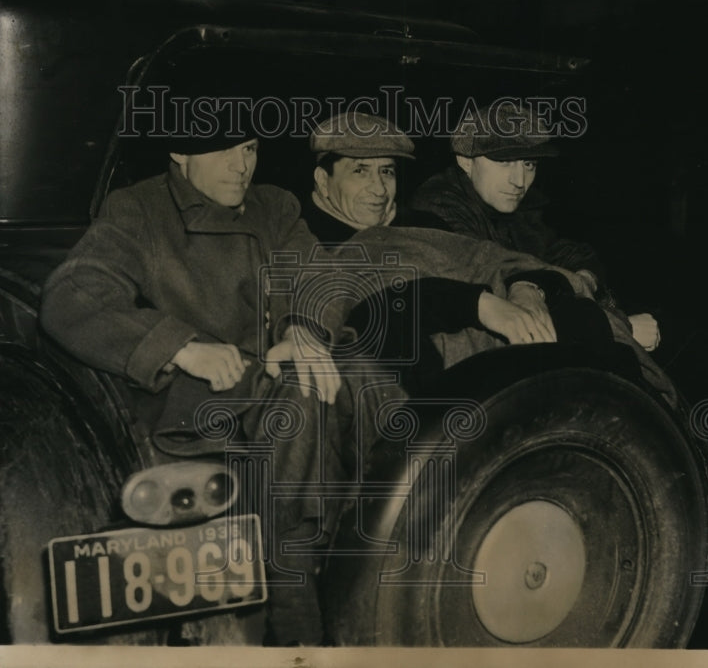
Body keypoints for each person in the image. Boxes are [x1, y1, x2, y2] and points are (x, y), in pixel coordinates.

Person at [39, 111, 400, 646]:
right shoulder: (139, 210)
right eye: (224, 150)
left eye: (250, 148)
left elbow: (318, 274)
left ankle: (401, 546)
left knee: (365, 375)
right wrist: (180, 346)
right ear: (180, 154)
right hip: (200, 402)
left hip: (273, 380)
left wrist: (302, 328)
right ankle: (295, 618)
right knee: (297, 401)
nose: (241, 166)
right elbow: (73, 293)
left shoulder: (274, 207)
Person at [302, 112, 615, 382]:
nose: (379, 188)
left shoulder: (422, 223)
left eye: (387, 171)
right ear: (323, 180)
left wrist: (525, 285)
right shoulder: (305, 240)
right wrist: (478, 305)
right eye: (360, 171)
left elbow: (488, 259)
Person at [411, 102, 661, 352]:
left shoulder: (514, 206)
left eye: (529, 164)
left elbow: (573, 255)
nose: (519, 181)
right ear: (466, 161)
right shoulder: (437, 208)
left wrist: (583, 280)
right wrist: (619, 327)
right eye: (505, 162)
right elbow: (497, 293)